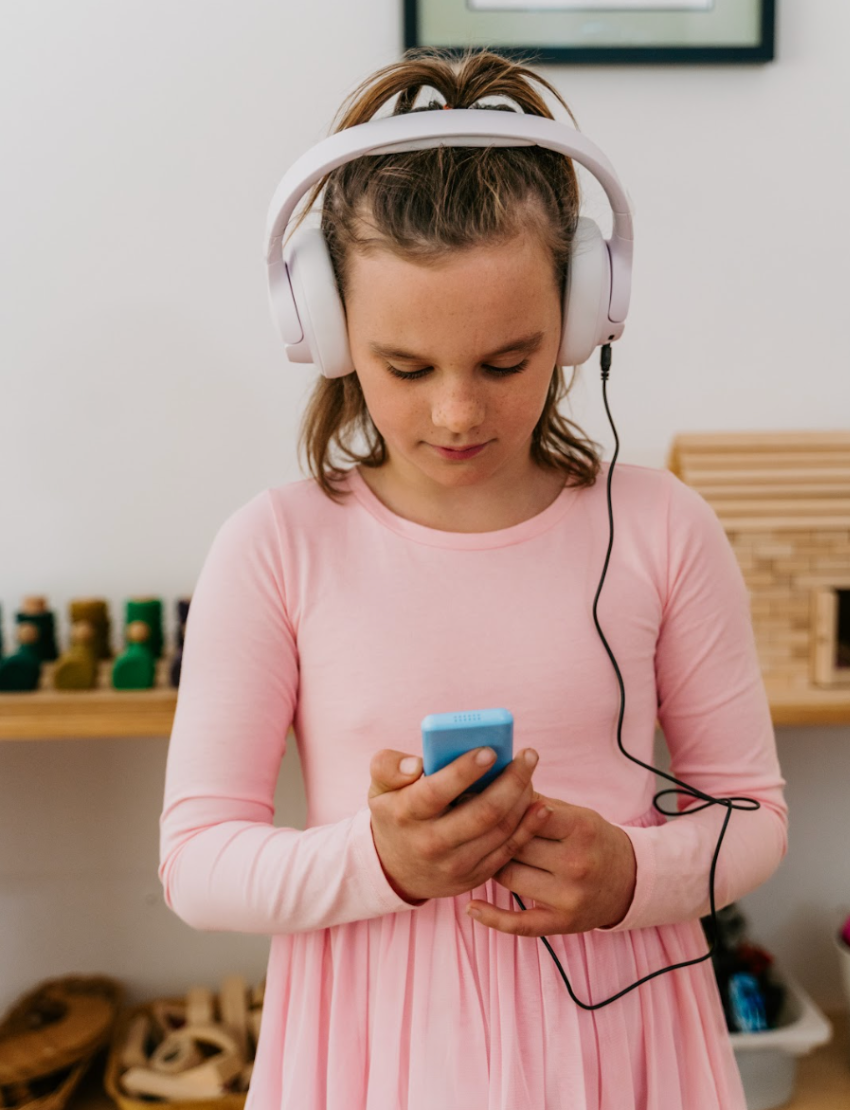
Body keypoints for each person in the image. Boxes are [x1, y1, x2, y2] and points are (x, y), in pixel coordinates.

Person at [158, 46, 788, 1110]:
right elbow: (197, 862)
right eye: (406, 368)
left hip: (622, 1036)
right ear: (324, 332)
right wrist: (383, 861)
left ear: (586, 316)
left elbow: (754, 817)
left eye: (506, 361)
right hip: (373, 1050)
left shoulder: (660, 527)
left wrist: (634, 876)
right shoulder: (274, 548)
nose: (458, 412)